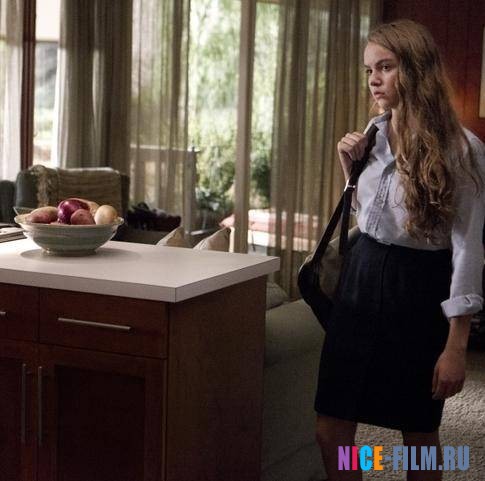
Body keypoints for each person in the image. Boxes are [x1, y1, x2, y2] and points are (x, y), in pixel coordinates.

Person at [314, 19, 485, 481]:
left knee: (418, 439)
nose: (374, 79)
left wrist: (456, 346)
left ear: (416, 69)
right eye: (369, 69)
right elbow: (368, 218)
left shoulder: (463, 150)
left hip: (419, 290)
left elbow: (468, 249)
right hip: (360, 280)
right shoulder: (371, 134)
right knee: (331, 429)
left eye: (385, 67)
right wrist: (348, 168)